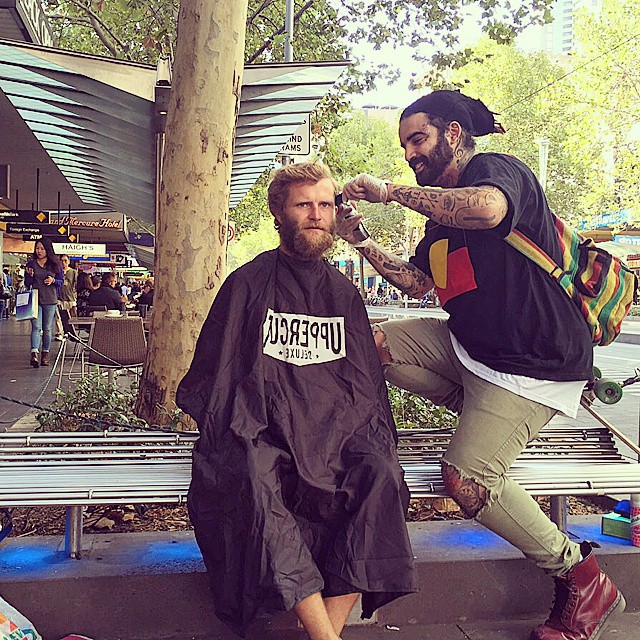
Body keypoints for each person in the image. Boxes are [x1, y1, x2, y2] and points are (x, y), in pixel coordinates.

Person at [336, 90, 624, 640]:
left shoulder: (496, 171)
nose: (410, 154)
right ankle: (479, 411)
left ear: (452, 132)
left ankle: (581, 577)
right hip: (471, 352)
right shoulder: (439, 220)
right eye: (404, 147)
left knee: (466, 480)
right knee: (373, 343)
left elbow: (488, 209)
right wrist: (360, 239)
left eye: (418, 140)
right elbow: (419, 283)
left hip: (534, 365)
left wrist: (389, 192)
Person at [176, 162, 415, 639]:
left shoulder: (344, 294)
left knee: (381, 474)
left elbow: (363, 388)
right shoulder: (246, 284)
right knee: (253, 477)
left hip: (337, 434)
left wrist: (339, 436)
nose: (316, 214)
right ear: (279, 213)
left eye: (325, 204)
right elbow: (217, 379)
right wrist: (255, 425)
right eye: (304, 204)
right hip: (263, 431)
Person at [24, 238, 64, 367]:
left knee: (47, 328)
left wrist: (53, 281)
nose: (39, 251)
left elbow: (61, 282)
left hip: (50, 300)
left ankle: (45, 353)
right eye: (37, 248)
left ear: (48, 249)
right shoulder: (31, 264)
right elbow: (27, 283)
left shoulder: (55, 265)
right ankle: (34, 353)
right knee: (36, 327)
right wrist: (29, 276)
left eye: (42, 248)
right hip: (35, 299)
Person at [54, 254, 78, 338]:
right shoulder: (57, 272)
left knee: (70, 317)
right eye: (61, 261)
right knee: (58, 316)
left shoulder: (73, 272)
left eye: (65, 261)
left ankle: (70, 332)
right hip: (59, 298)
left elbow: (75, 284)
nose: (63, 263)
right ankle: (60, 332)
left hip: (70, 298)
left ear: (69, 261)